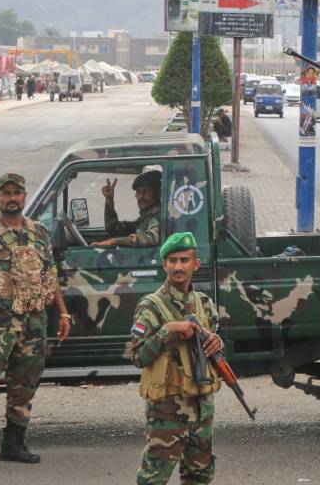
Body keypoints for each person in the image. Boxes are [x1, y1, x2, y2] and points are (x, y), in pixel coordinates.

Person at [0, 173, 72, 470]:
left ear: (24, 196)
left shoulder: (39, 233)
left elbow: (51, 277)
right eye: (5, 193)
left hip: (33, 322)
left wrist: (63, 312)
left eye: (16, 193)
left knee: (25, 383)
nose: (11, 198)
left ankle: (14, 443)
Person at [130, 232, 222, 485]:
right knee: (154, 475)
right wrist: (168, 331)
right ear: (164, 265)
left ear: (196, 264)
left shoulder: (203, 303)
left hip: (201, 404)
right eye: (172, 260)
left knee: (200, 474)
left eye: (184, 260)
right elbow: (138, 356)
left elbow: (213, 344)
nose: (178, 266)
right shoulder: (151, 306)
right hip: (167, 407)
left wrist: (216, 342)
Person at [91, 170, 162, 248]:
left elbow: (148, 238)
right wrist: (109, 199)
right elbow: (113, 228)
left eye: (146, 191)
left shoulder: (159, 216)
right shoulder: (146, 217)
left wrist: (112, 242)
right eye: (138, 192)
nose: (140, 196)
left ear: (158, 194)